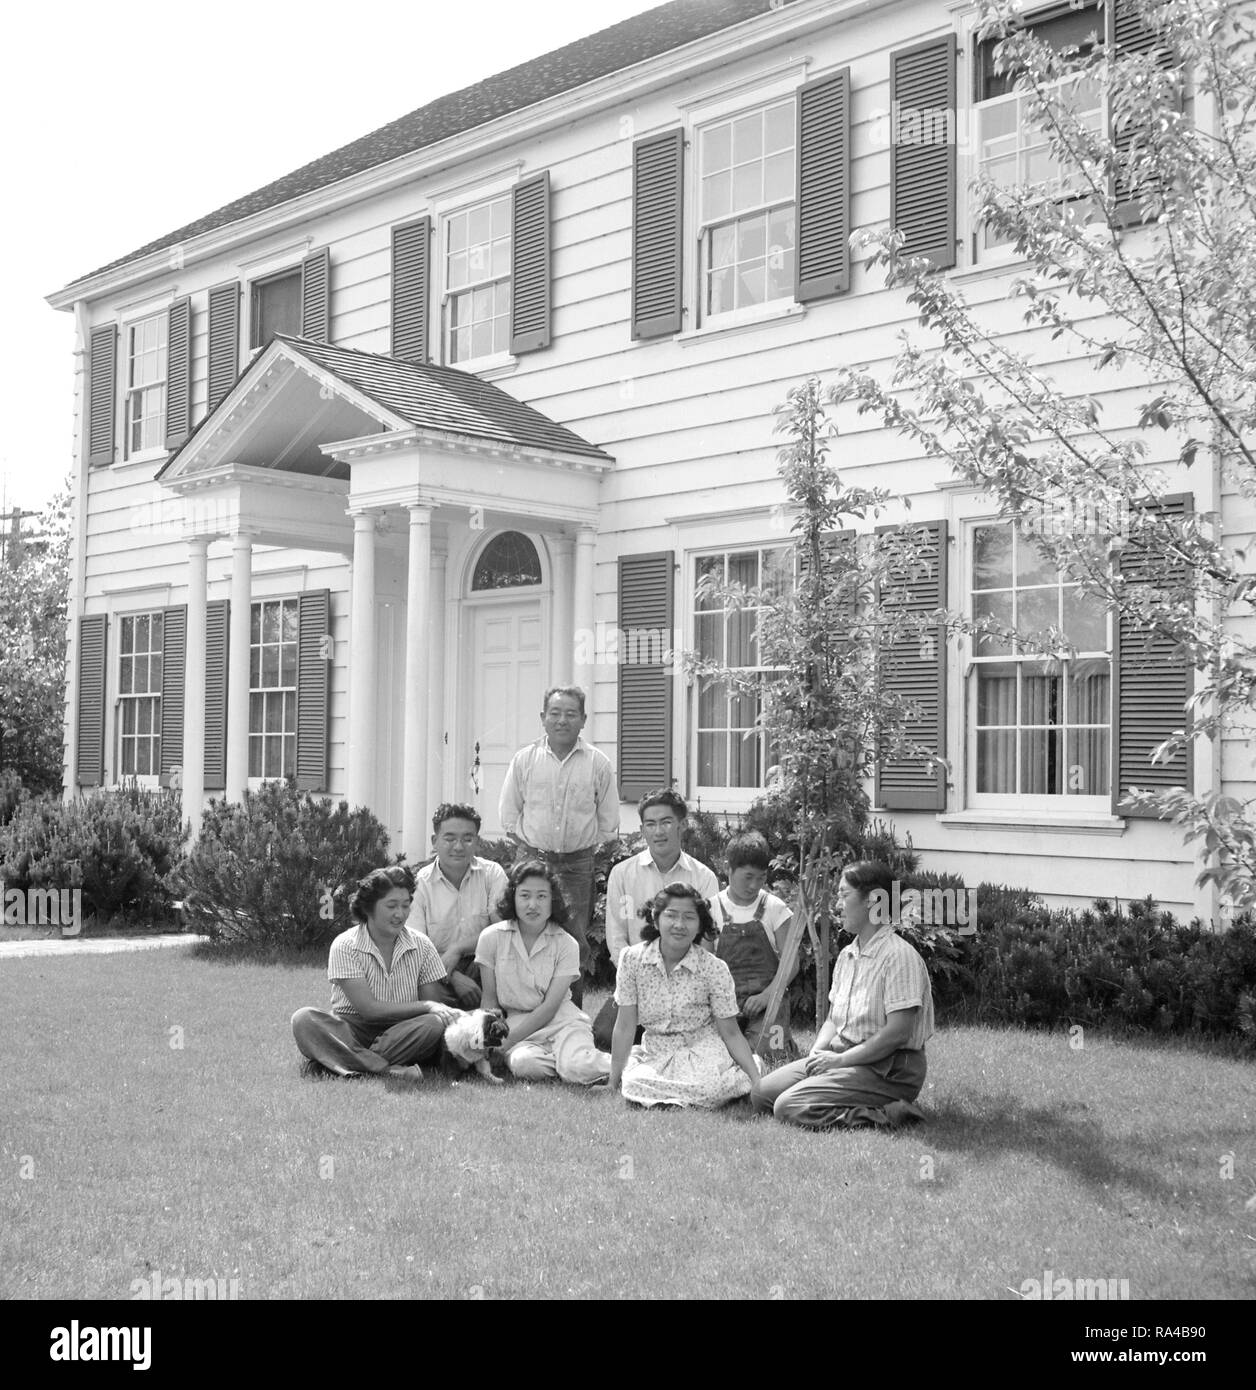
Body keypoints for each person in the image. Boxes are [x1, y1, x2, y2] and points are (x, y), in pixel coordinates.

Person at [752, 860, 933, 1129]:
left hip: (890, 1069)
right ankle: (843, 1095)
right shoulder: (849, 954)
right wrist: (818, 1051)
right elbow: (833, 1019)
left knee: (788, 1106)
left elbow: (898, 1033)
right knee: (761, 1094)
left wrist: (839, 1061)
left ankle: (889, 1113)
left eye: (844, 895)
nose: (837, 904)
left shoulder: (899, 956)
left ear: (873, 901)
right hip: (844, 1055)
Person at [498, 685, 620, 1006]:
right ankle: (521, 1009)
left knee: (573, 941)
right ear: (543, 718)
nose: (562, 720)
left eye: (570, 714)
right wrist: (535, 852)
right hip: (531, 861)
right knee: (522, 935)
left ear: (583, 720)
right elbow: (509, 817)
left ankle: (572, 1019)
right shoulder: (524, 760)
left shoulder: (598, 763)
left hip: (577, 865)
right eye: (555, 713)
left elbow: (608, 823)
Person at [291, 866, 459, 1080]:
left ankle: (339, 1061)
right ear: (369, 908)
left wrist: (430, 1008)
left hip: (404, 1033)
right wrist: (427, 1006)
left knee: (433, 1024)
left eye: (406, 906)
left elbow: (432, 1012)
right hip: (353, 1030)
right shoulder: (345, 945)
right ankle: (386, 1070)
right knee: (304, 1019)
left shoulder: (422, 945)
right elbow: (368, 1010)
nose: (400, 914)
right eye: (392, 906)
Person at [609, 884, 760, 1109]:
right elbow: (625, 1025)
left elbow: (730, 1032)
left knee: (710, 1088)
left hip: (702, 1048)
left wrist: (757, 1079)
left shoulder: (714, 968)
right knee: (631, 1083)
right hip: (657, 1050)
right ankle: (680, 1098)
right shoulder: (631, 959)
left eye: (689, 918)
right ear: (656, 917)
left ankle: (738, 1074)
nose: (679, 925)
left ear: (700, 925)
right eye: (671, 916)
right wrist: (613, 1081)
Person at [593, 788, 718, 1050]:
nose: (658, 831)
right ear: (642, 829)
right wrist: (638, 982)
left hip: (686, 989)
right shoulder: (622, 874)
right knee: (604, 1037)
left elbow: (708, 943)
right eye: (650, 824)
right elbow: (616, 938)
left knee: (690, 1041)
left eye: (666, 822)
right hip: (636, 984)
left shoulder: (703, 877)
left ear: (682, 825)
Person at [474, 860, 610, 1086]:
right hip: (516, 1022)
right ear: (513, 897)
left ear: (553, 901)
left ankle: (630, 1062)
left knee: (578, 1068)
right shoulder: (490, 938)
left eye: (541, 897)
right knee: (524, 1065)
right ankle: (566, 1063)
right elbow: (489, 1000)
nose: (533, 905)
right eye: (525, 896)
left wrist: (508, 1043)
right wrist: (489, 1039)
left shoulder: (567, 944)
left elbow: (549, 1008)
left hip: (562, 1021)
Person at [408, 802, 508, 1009]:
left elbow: (503, 931)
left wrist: (459, 948)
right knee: (426, 991)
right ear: (435, 841)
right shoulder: (420, 884)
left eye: (467, 839)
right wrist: (453, 977)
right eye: (450, 838)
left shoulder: (492, 874)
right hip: (436, 969)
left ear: (477, 841)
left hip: (484, 962)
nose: (458, 847)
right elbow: (416, 947)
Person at [711, 832, 798, 1054]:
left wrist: (768, 995)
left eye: (761, 878)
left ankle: (777, 1043)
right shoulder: (710, 909)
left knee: (767, 1052)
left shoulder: (775, 908)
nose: (754, 885)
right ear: (728, 868)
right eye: (748, 877)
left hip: (769, 1001)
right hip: (724, 1003)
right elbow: (704, 968)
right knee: (716, 1052)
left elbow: (791, 963)